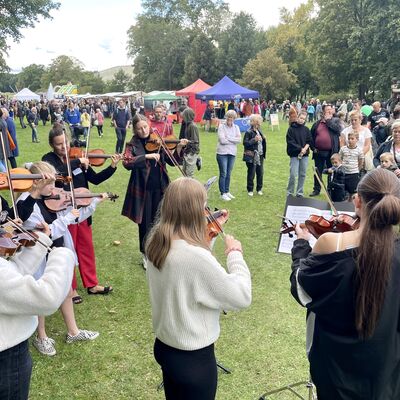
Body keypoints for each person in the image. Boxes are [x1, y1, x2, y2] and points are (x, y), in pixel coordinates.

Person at [291, 168, 400, 400]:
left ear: (357, 201)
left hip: (335, 370)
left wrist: (301, 245)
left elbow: (302, 290)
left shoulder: (331, 242)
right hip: (386, 368)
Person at [145, 177, 251, 400]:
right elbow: (241, 296)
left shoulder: (157, 240)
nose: (207, 211)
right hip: (193, 359)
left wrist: (209, 236)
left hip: (166, 347)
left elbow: (188, 273)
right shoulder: (195, 258)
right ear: (194, 211)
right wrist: (235, 255)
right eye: (203, 206)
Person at [18, 161, 103, 355]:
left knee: (65, 289)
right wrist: (67, 218)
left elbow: (73, 217)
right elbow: (50, 232)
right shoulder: (26, 203)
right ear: (37, 182)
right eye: (50, 183)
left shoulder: (54, 197)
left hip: (58, 250)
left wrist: (93, 202)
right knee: (41, 293)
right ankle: (41, 336)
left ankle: (73, 331)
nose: (55, 188)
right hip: (39, 254)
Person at [42, 124, 120, 301]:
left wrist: (112, 167)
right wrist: (77, 162)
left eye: (65, 142)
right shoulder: (49, 160)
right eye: (58, 144)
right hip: (63, 210)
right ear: (52, 145)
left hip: (83, 208)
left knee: (86, 247)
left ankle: (92, 284)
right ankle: (72, 288)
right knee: (68, 249)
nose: (64, 147)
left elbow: (95, 179)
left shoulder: (77, 155)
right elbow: (57, 175)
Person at [0, 227, 75, 400]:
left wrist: (40, 239)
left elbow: (11, 276)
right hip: (6, 358)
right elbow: (47, 298)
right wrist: (63, 255)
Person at [121, 114, 187, 266]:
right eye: (139, 128)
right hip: (143, 190)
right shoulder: (132, 144)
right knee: (145, 223)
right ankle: (146, 254)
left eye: (145, 127)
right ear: (135, 130)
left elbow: (172, 161)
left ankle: (161, 251)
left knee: (162, 221)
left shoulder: (157, 138)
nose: (143, 131)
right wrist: (147, 156)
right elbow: (127, 162)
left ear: (149, 125)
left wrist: (179, 147)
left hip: (161, 187)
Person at [310, 104, 343, 196]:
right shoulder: (317, 124)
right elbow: (311, 137)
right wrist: (313, 148)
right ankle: (316, 189)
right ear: (323, 112)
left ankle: (330, 189)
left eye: (331, 109)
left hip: (331, 152)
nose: (329, 111)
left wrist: (328, 121)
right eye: (327, 109)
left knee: (331, 170)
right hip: (318, 152)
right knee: (318, 171)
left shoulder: (336, 121)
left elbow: (338, 130)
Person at [216, 110, 241, 201]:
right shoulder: (221, 127)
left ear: (234, 118)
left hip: (232, 153)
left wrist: (228, 138)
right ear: (226, 117)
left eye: (232, 117)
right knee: (223, 173)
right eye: (228, 117)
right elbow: (222, 140)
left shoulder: (236, 127)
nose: (230, 119)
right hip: (222, 153)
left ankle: (227, 191)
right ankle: (222, 193)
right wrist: (233, 140)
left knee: (229, 173)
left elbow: (239, 140)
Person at [286, 110, 312, 198]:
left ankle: (299, 192)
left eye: (304, 119)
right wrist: (300, 149)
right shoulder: (291, 129)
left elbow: (309, 140)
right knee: (293, 174)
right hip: (294, 154)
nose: (302, 120)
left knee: (302, 174)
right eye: (301, 118)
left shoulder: (306, 129)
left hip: (304, 155)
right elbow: (290, 141)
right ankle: (290, 192)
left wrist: (304, 149)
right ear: (297, 117)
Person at [243, 114, 266, 196]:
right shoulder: (248, 132)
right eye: (258, 122)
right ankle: (250, 189)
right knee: (251, 172)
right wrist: (254, 139)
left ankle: (259, 188)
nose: (259, 123)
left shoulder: (259, 131)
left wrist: (263, 139)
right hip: (252, 155)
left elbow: (261, 142)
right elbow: (245, 143)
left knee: (260, 172)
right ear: (253, 122)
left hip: (260, 154)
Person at [339, 131, 364, 198]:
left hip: (353, 173)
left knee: (353, 192)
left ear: (357, 140)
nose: (350, 140)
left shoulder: (359, 150)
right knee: (343, 190)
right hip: (344, 173)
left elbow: (361, 160)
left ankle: (352, 204)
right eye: (349, 138)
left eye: (352, 139)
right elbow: (339, 158)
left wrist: (358, 169)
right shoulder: (343, 149)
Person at [180, 107, 200, 178]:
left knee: (189, 175)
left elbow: (196, 141)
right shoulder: (186, 125)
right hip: (187, 151)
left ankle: (191, 188)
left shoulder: (193, 126)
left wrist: (187, 141)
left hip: (191, 152)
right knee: (184, 172)